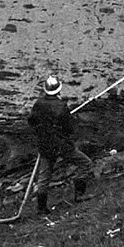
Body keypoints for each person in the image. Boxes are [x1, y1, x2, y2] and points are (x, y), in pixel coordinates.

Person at [28, 76, 94, 214]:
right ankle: (79, 195)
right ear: (59, 89)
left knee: (44, 177)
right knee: (86, 164)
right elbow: (69, 128)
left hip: (45, 145)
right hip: (62, 145)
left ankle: (41, 208)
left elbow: (32, 122)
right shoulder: (61, 106)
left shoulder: (38, 104)